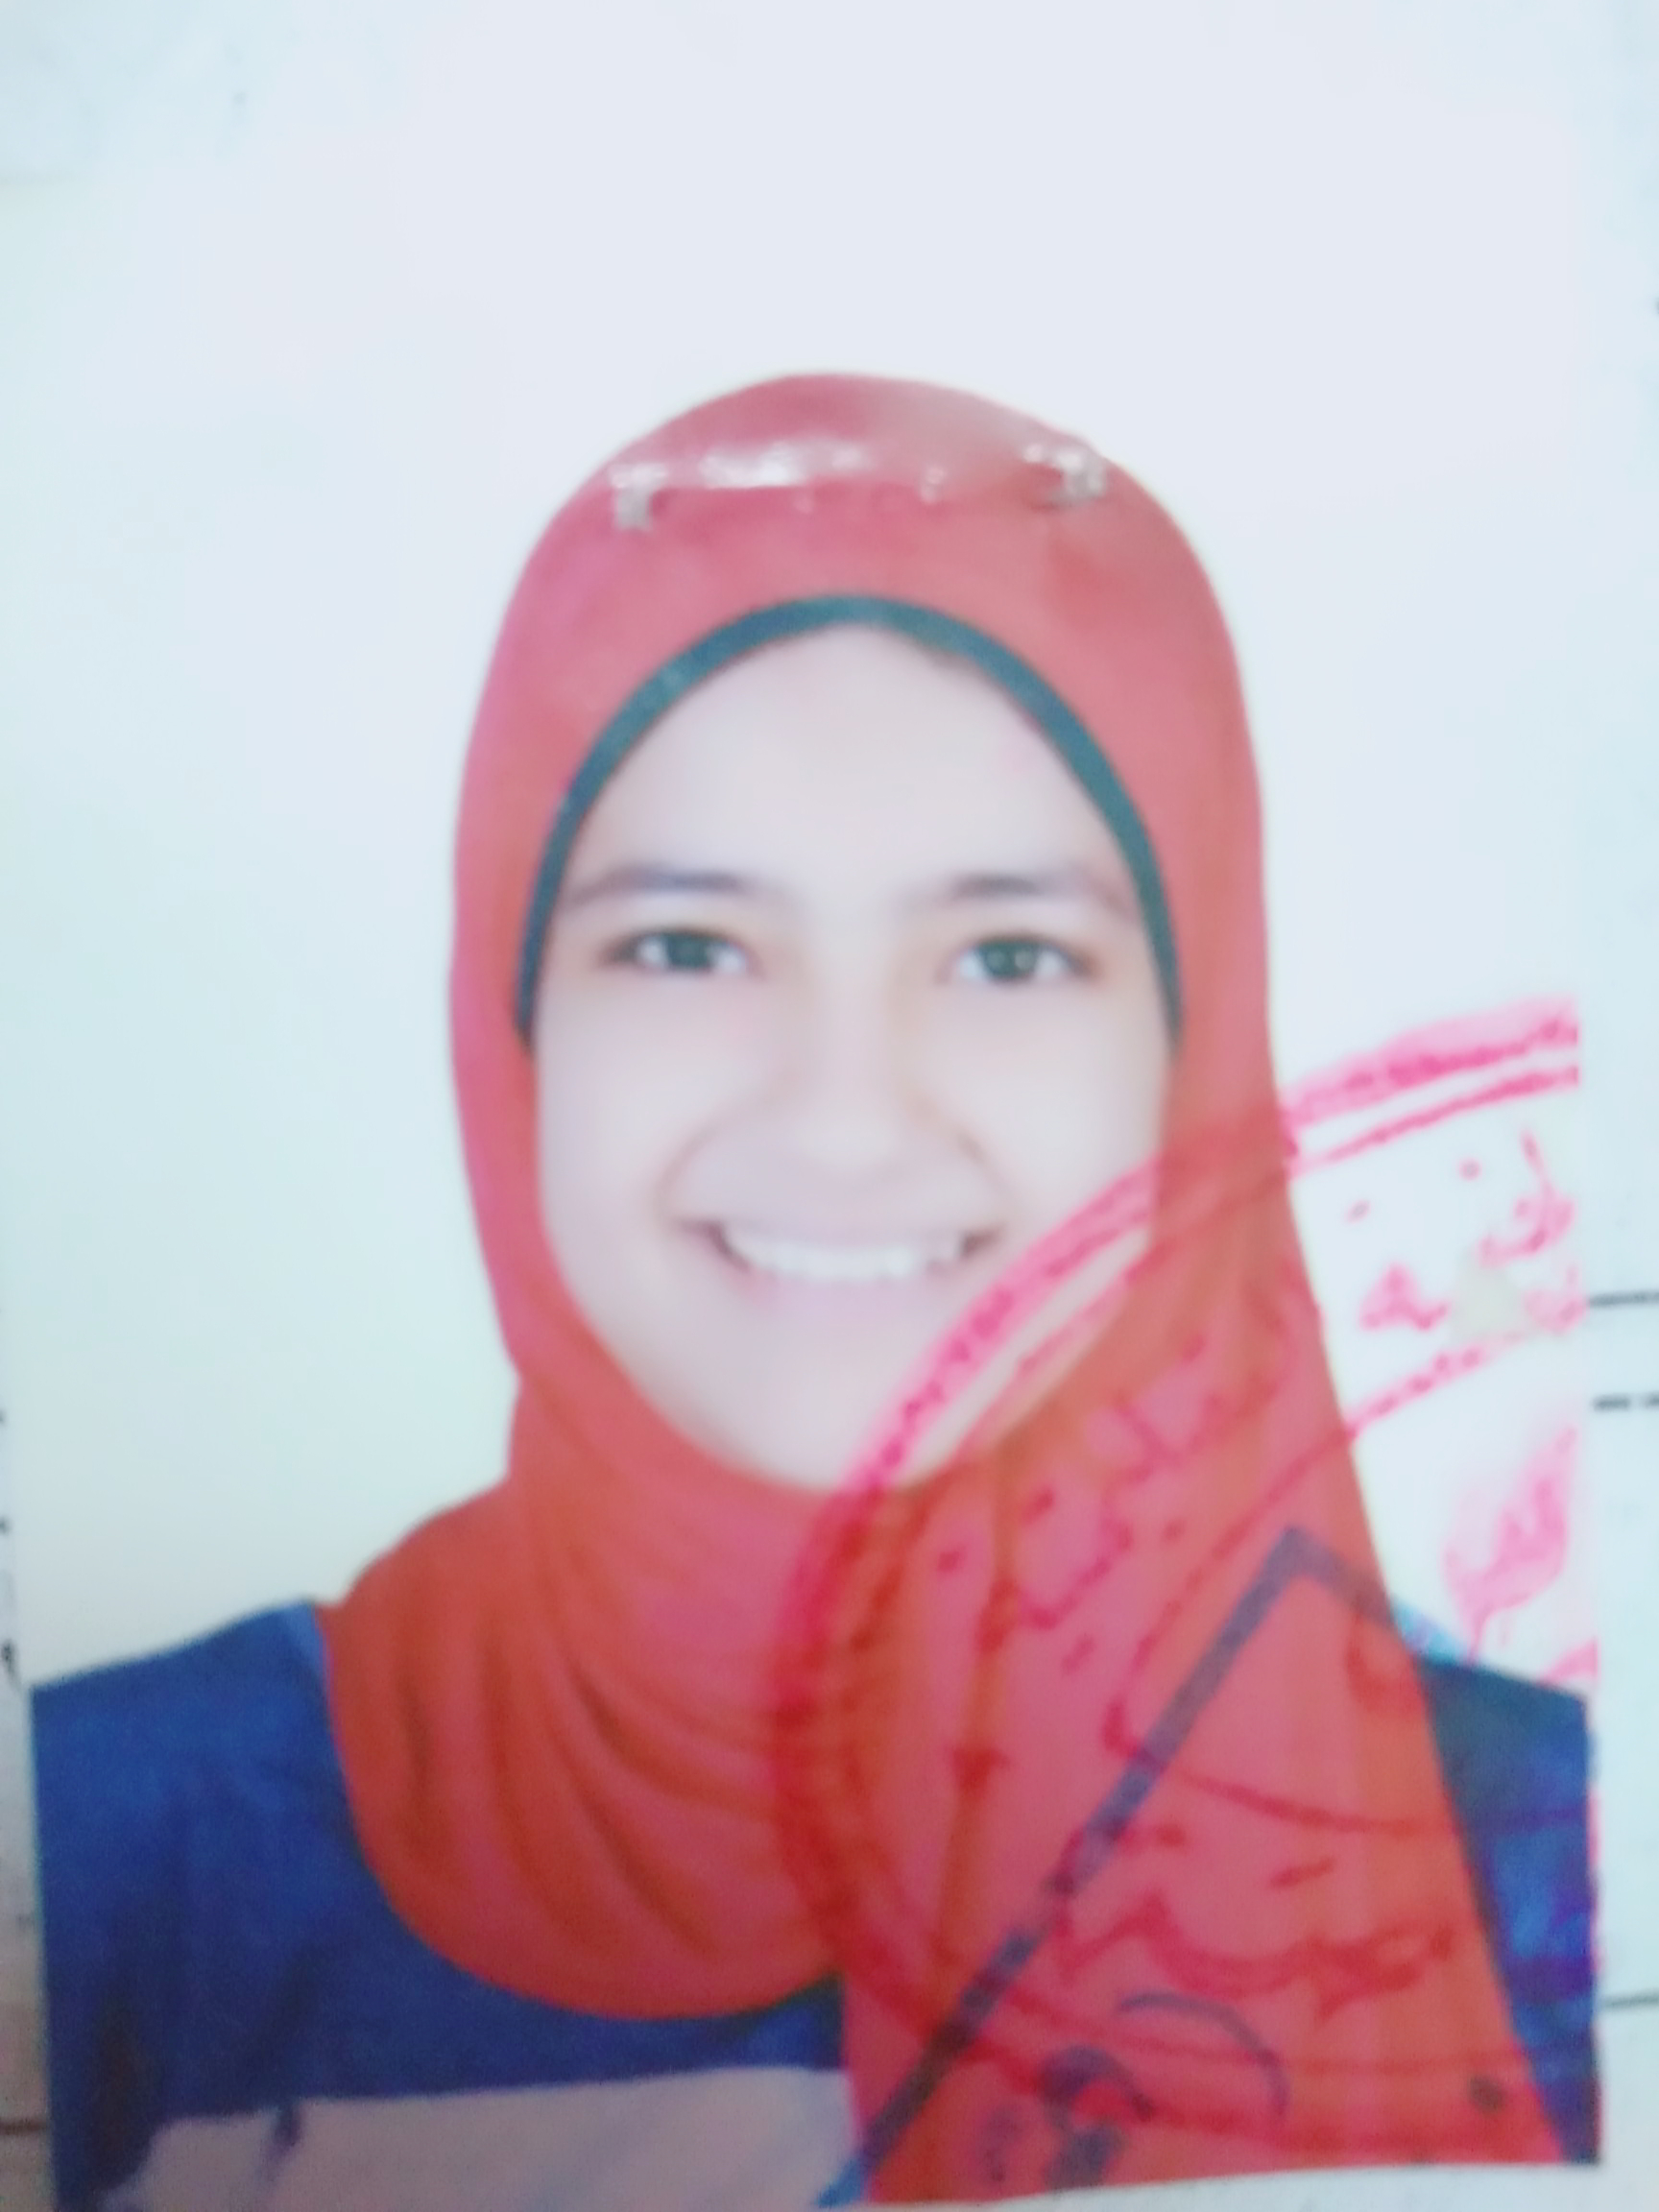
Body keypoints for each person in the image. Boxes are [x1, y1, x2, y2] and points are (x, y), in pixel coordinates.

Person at [32, 375, 1596, 2210]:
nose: (847, 1122)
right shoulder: (114, 1849)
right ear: (516, 1034)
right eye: (687, 945)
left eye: (1008, 957)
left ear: (1191, 1049)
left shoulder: (1530, 1857)